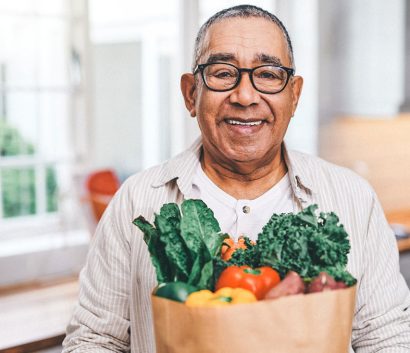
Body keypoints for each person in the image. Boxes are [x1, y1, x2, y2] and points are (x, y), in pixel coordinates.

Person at [63, 5, 410, 352]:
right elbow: (95, 340)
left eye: (269, 74)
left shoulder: (354, 198)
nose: (245, 96)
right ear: (190, 94)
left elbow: (387, 338)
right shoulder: (136, 202)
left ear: (295, 95)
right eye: (222, 72)